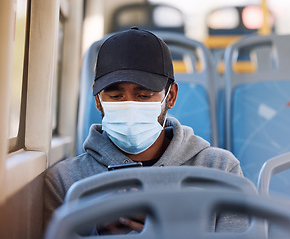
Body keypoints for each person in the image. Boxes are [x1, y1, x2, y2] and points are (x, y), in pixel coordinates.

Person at [44, 27, 245, 233]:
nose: (130, 106)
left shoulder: (219, 171)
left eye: (144, 96)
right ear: (98, 100)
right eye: (116, 97)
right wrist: (99, 233)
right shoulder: (65, 182)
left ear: (171, 96)